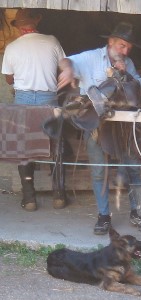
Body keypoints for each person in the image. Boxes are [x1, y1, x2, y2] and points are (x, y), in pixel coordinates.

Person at [57, 22, 141, 234]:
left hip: (123, 125)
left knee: (132, 169)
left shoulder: (128, 62)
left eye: (128, 47)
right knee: (99, 171)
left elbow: (138, 87)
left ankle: (136, 212)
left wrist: (127, 74)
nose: (125, 51)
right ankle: (103, 216)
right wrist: (70, 69)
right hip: (96, 124)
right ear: (110, 42)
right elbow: (65, 60)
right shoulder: (90, 57)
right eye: (121, 45)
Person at [1, 8, 66, 212]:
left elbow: (9, 78)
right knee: (56, 147)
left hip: (24, 100)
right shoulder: (52, 41)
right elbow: (63, 68)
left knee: (24, 149)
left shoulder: (12, 47)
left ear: (19, 27)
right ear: (36, 21)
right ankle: (59, 196)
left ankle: (29, 199)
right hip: (49, 99)